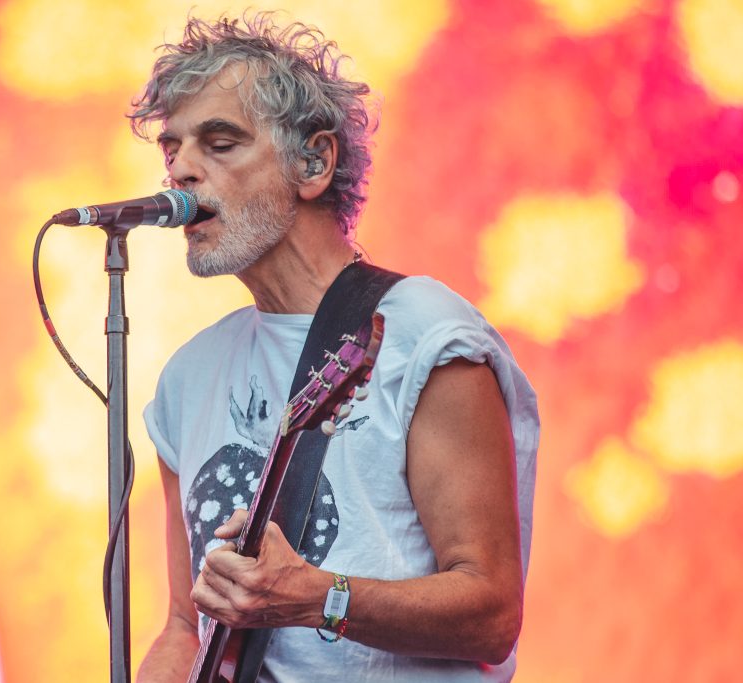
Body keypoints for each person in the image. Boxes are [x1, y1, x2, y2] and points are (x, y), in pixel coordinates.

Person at [132, 13, 539, 683]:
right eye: (173, 149)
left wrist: (319, 597)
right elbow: (186, 625)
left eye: (221, 143)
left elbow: (490, 611)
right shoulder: (188, 379)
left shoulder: (421, 337)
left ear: (314, 163)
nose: (182, 172)